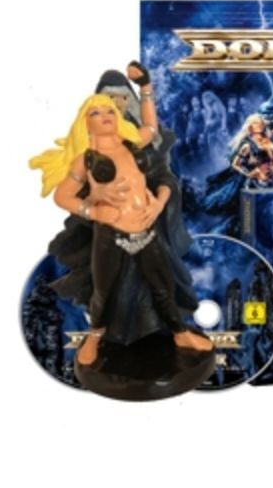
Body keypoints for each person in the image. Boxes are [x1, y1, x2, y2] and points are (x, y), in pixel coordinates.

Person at [30, 62, 212, 366]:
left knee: (163, 287)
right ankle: (94, 337)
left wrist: (146, 87)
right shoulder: (86, 160)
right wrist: (93, 209)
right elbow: (62, 196)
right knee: (104, 292)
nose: (105, 115)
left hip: (146, 232)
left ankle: (180, 334)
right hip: (111, 237)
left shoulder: (132, 145)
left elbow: (151, 127)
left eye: (109, 111)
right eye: (96, 112)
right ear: (84, 122)